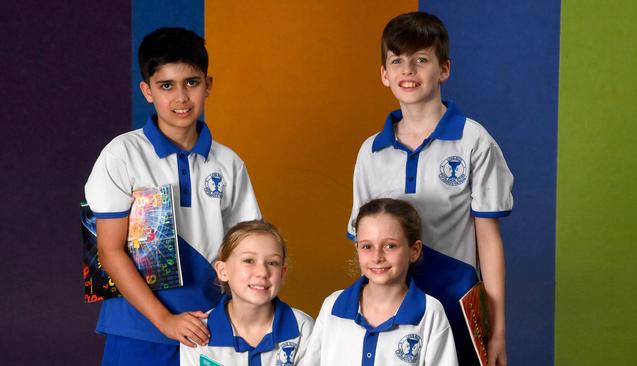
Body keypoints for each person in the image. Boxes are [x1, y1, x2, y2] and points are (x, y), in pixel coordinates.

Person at [84, 27, 261, 365]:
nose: (181, 97)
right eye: (167, 85)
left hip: (208, 326)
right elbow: (108, 251)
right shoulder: (122, 154)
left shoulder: (229, 163)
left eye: (191, 83)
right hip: (137, 328)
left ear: (208, 85)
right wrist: (164, 320)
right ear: (147, 91)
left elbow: (247, 250)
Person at [347, 12, 513, 366]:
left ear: (444, 70)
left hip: (455, 299)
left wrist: (497, 330)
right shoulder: (371, 152)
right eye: (397, 61)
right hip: (394, 302)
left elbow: (488, 238)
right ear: (384, 74)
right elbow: (365, 243)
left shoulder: (473, 141)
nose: (408, 71)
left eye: (420, 59)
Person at [306, 198, 458, 365]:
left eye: (390, 246)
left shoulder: (430, 313)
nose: (377, 257)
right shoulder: (332, 307)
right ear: (357, 249)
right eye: (367, 246)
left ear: (414, 251)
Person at [180, 220, 314, 365]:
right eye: (249, 260)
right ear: (223, 271)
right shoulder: (198, 332)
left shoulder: (303, 328)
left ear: (282, 274)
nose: (262, 272)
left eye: (272, 263)